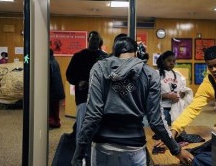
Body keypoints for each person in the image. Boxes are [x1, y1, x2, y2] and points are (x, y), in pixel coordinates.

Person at [71, 36, 194, 166]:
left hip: (103, 145)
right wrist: (177, 150)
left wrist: (79, 154)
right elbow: (156, 121)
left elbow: (92, 116)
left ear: (114, 51)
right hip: (134, 146)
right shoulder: (150, 74)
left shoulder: (99, 69)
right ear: (137, 52)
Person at [66, 31, 108, 151]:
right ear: (88, 40)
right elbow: (69, 75)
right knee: (82, 123)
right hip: (83, 96)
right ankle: (80, 149)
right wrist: (78, 82)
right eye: (92, 39)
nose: (94, 41)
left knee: (100, 124)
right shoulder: (78, 56)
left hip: (101, 96)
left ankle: (97, 148)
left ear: (100, 41)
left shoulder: (105, 57)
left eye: (97, 39)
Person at [156, 51, 192, 125]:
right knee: (165, 130)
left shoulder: (178, 75)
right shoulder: (156, 74)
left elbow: (183, 89)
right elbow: (150, 94)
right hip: (163, 108)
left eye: (174, 61)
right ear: (163, 61)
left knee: (177, 128)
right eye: (169, 60)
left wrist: (183, 94)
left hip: (176, 107)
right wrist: (167, 96)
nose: (172, 63)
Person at [49, 49, 65, 128]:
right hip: (57, 89)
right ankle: (56, 121)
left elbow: (49, 78)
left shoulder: (48, 62)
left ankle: (52, 122)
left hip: (52, 90)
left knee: (51, 108)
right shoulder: (54, 61)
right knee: (55, 107)